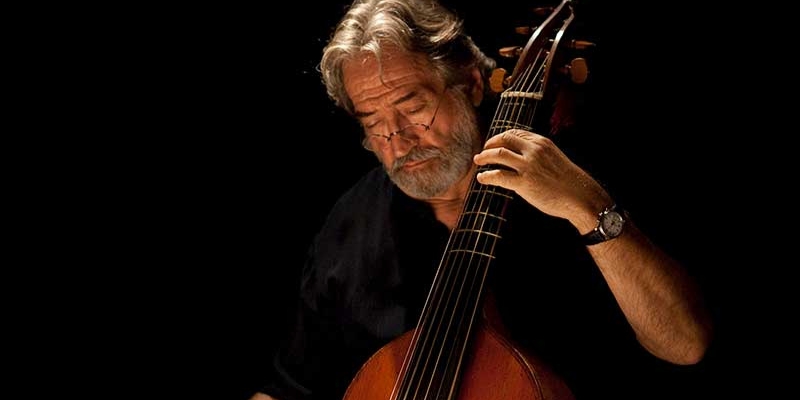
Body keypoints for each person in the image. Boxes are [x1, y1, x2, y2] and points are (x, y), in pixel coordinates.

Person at [250, 0, 714, 399]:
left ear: (471, 84)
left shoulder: (575, 178)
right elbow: (290, 387)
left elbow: (686, 344)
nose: (397, 140)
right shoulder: (352, 221)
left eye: (412, 109)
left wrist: (586, 207)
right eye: (373, 123)